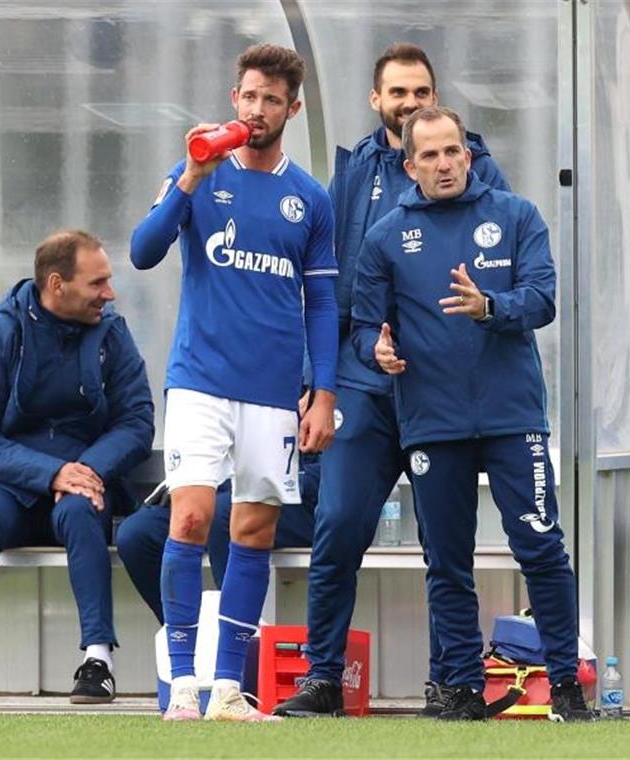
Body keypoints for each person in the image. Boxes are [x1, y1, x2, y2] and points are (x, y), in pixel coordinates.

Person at [273, 42, 511, 719]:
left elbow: (504, 268)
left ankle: (454, 682)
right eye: (397, 93)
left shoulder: (478, 169)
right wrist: (319, 379)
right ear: (377, 101)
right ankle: (323, 679)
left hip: (441, 392)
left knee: (447, 544)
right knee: (340, 523)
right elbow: (325, 289)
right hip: (363, 382)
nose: (409, 104)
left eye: (420, 93)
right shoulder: (351, 175)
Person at [349, 106, 594, 722]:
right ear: (410, 166)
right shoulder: (385, 236)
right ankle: (459, 687)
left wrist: (488, 307)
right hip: (432, 420)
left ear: (469, 154)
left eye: (452, 151)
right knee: (448, 561)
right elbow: (359, 327)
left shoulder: (516, 216)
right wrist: (377, 351)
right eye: (429, 155)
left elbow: (542, 301)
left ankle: (564, 684)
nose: (444, 163)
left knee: (540, 548)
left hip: (514, 417)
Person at [128, 43, 338, 722]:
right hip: (199, 379)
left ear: (292, 110)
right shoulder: (197, 171)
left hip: (274, 391)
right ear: (234, 98)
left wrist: (324, 393)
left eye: (271, 100)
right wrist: (189, 177)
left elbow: (325, 304)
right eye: (249, 96)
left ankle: (227, 690)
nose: (257, 110)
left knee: (253, 531)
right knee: (190, 516)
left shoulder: (308, 198)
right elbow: (142, 250)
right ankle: (183, 685)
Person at [0, 230, 154, 705]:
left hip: (81, 481)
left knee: (83, 510)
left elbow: (136, 421)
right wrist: (49, 473)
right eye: (98, 283)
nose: (110, 293)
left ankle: (98, 661)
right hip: (9, 484)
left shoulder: (113, 334)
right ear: (56, 284)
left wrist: (83, 470)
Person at [114, 452, 319, 623]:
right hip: (220, 489)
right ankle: (190, 638)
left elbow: (335, 468)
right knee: (138, 534)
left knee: (226, 512)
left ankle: (235, 644)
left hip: (302, 500)